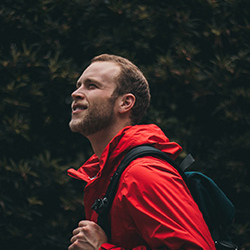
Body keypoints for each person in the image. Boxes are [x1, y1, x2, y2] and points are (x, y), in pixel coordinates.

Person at [67, 54, 216, 250]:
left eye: (91, 85)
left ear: (125, 103)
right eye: (78, 85)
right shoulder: (110, 173)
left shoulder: (142, 174)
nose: (76, 93)